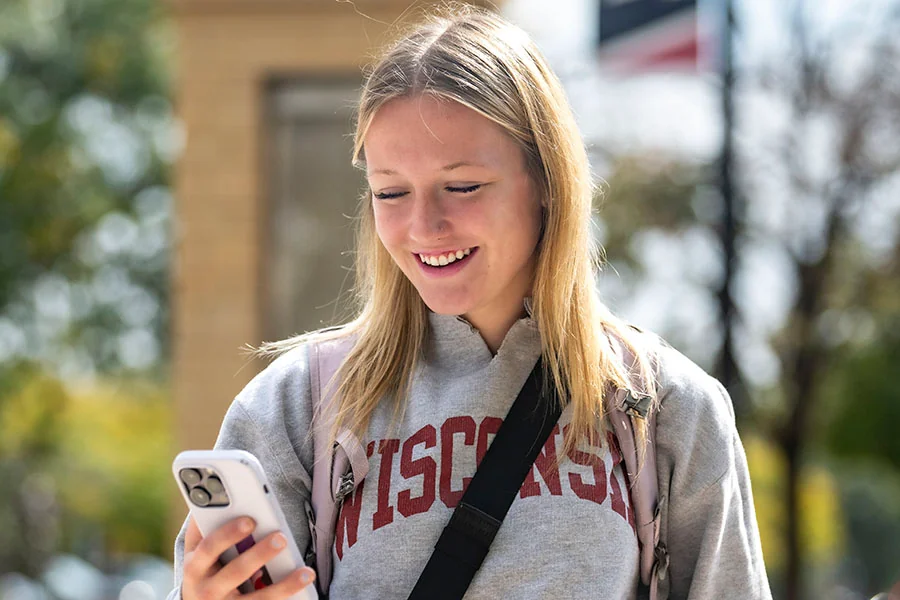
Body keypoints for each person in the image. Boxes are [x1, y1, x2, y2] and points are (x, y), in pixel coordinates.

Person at [167, 5, 773, 600]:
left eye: (462, 186)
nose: (425, 226)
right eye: (391, 192)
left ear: (545, 180)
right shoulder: (293, 408)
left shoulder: (665, 408)